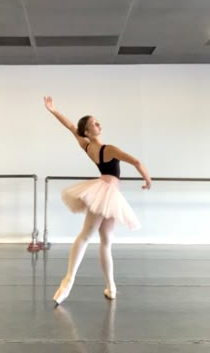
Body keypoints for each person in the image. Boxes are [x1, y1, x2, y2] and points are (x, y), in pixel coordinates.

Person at [44, 96, 151, 305]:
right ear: (88, 132)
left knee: (106, 241)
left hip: (108, 194)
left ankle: (111, 286)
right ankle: (68, 281)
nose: (99, 124)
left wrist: (54, 110)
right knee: (86, 236)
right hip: (106, 192)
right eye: (95, 123)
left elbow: (70, 126)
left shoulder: (87, 147)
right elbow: (136, 161)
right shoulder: (108, 149)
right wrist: (147, 178)